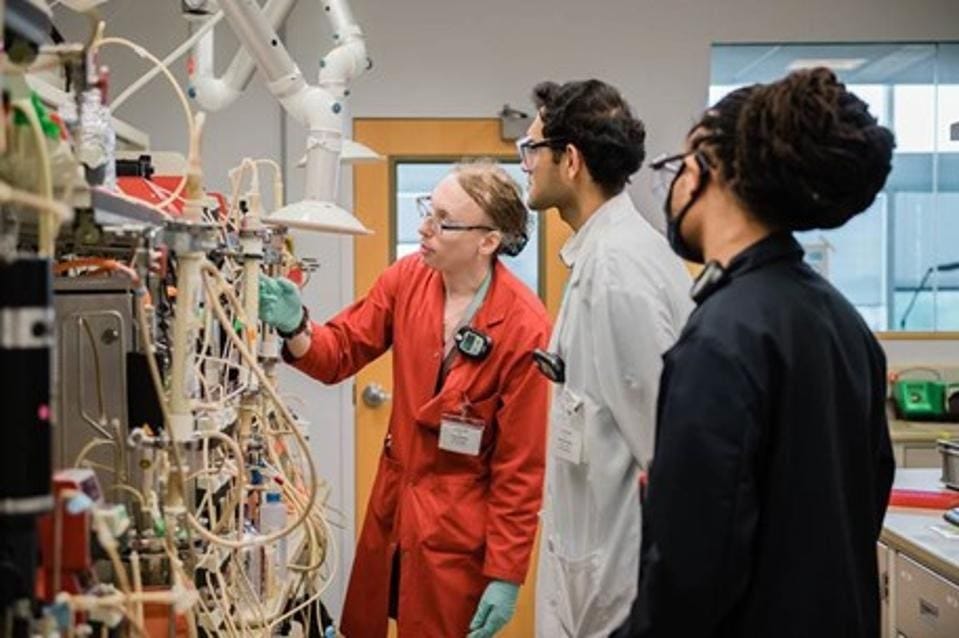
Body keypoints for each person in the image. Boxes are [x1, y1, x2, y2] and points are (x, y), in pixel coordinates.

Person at [615, 68, 897, 637]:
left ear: (712, 171)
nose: (671, 187)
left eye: (678, 167)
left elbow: (691, 572)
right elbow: (865, 500)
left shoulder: (723, 336)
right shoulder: (842, 322)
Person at [259, 160, 551, 637]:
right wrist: (296, 326)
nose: (424, 227)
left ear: (488, 241)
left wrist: (506, 573)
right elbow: (340, 352)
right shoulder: (407, 279)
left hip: (458, 527)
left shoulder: (525, 327)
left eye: (443, 221)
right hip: (395, 502)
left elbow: (520, 468)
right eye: (427, 210)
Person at [518, 79, 693, 637]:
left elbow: (664, 447)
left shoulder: (618, 269)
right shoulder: (603, 256)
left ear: (569, 160)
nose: (525, 164)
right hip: (595, 568)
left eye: (531, 149)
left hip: (616, 585)